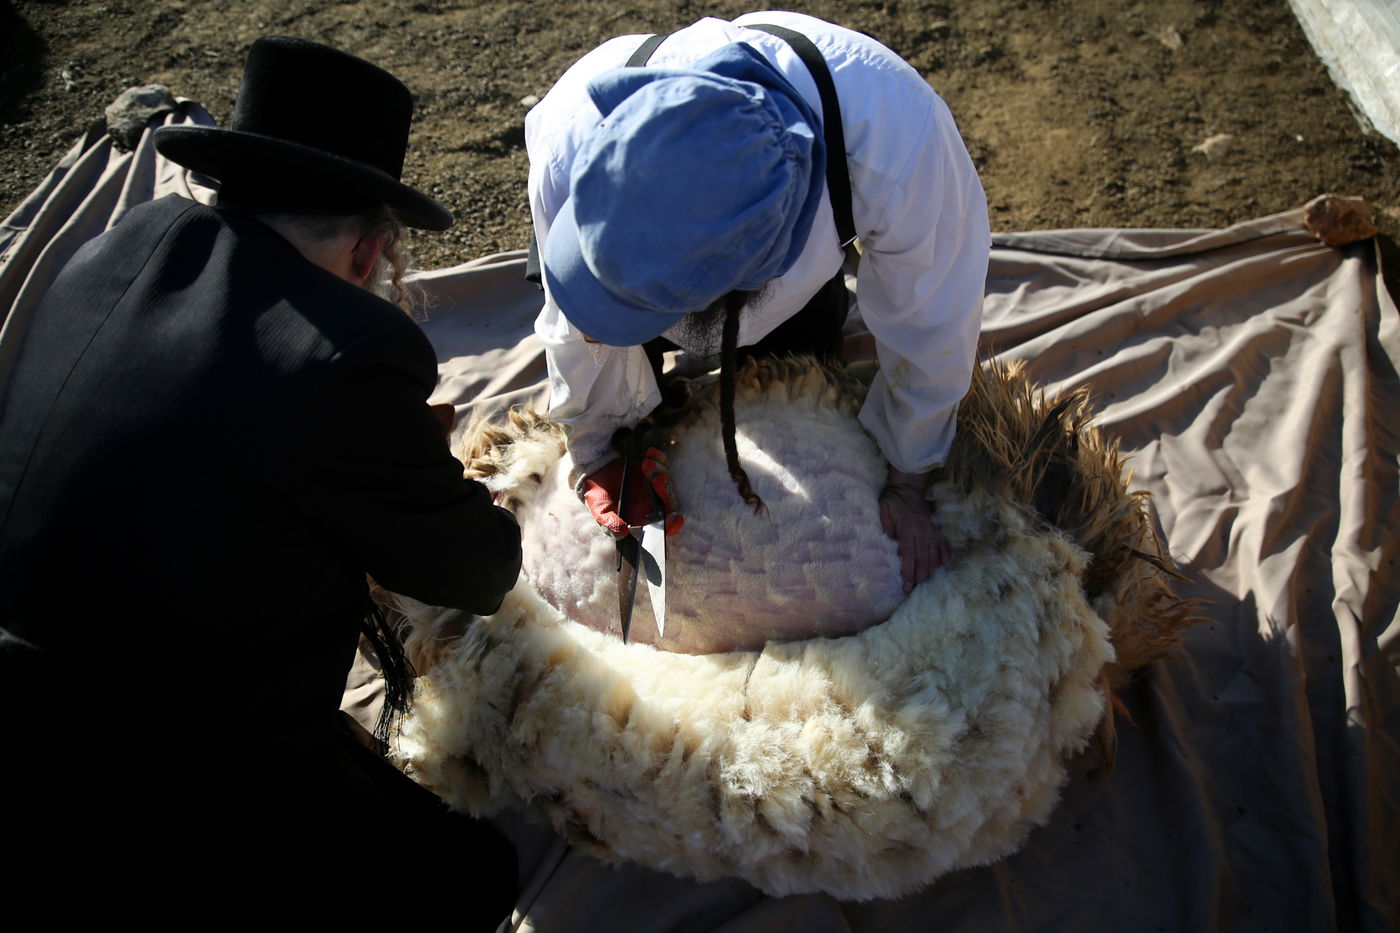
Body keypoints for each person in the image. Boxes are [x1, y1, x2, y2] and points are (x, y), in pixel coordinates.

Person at [0, 37, 521, 924]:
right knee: (476, 871)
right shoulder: (344, 354)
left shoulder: (118, 244)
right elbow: (479, 567)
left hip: (20, 729)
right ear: (368, 253)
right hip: (161, 799)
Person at [527, 10, 991, 594]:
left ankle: (776, 331)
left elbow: (934, 326)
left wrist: (908, 474)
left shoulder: (898, 141)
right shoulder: (570, 134)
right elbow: (575, 326)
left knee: (799, 379)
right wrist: (595, 447)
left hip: (792, 257)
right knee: (605, 351)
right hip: (617, 245)